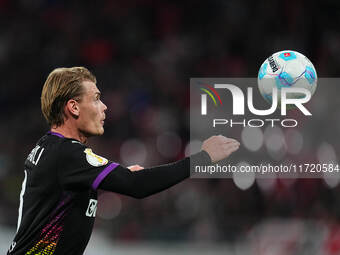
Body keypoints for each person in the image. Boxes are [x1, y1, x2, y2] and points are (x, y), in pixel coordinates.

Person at [7, 67, 240, 255]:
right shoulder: (68, 154)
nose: (104, 106)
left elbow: (64, 194)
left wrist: (120, 175)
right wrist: (203, 157)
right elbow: (137, 185)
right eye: (96, 99)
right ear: (74, 107)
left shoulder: (50, 147)